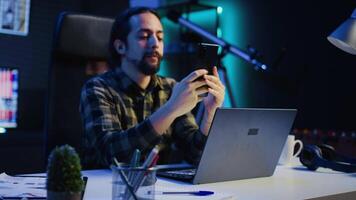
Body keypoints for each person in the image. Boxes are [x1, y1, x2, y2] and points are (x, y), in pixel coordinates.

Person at [79, 7, 225, 168]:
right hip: (105, 187)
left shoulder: (170, 87)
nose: (155, 43)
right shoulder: (98, 88)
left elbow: (195, 156)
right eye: (144, 36)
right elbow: (112, 153)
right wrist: (170, 109)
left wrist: (210, 114)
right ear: (121, 46)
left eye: (160, 37)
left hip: (158, 189)